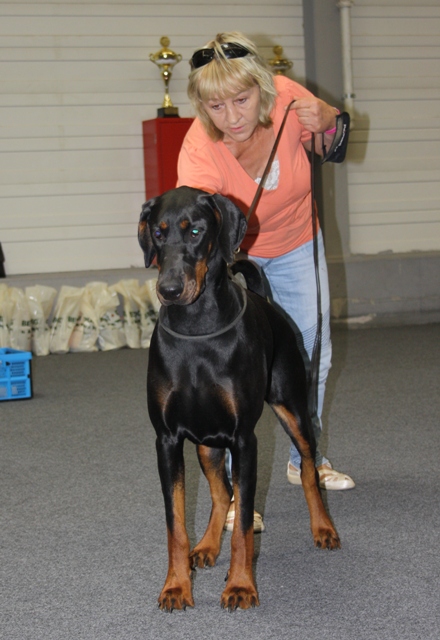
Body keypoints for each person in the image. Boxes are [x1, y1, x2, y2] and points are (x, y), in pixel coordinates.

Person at [177, 31, 355, 530]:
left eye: (242, 99)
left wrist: (331, 119)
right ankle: (237, 495)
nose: (232, 116)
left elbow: (334, 147)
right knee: (236, 373)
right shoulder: (198, 151)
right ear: (202, 106)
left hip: (297, 241)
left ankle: (306, 461)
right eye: (216, 106)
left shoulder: (290, 99)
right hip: (237, 257)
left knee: (312, 356)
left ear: (263, 87)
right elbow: (197, 228)